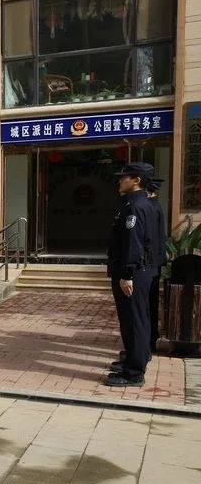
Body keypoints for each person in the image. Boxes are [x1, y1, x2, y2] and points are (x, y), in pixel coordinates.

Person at [107, 163, 158, 387]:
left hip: (133, 271)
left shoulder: (136, 206)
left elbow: (134, 243)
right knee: (133, 319)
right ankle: (133, 360)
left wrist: (127, 273)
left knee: (134, 320)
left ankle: (134, 373)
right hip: (137, 270)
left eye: (124, 177)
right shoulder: (135, 203)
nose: (120, 180)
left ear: (136, 180)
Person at [146, 178, 167, 355]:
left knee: (147, 305)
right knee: (150, 303)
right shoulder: (156, 206)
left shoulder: (150, 208)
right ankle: (150, 340)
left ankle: (149, 342)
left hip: (150, 264)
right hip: (155, 262)